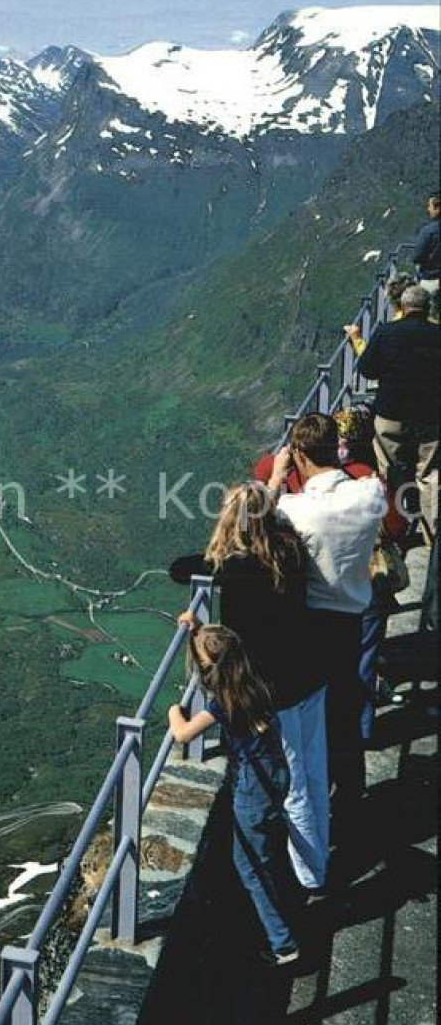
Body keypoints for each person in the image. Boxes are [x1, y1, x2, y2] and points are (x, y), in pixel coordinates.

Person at [170, 483, 329, 891]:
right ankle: (317, 861)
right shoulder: (289, 549)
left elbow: (178, 568)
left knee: (293, 788)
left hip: (280, 692)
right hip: (312, 674)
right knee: (313, 774)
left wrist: (195, 623)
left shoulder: (235, 567)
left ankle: (313, 879)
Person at [267, 414, 387, 814]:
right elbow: (377, 492)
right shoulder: (370, 495)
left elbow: (255, 528)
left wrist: (276, 477)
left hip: (311, 622)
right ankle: (351, 792)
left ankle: (315, 797)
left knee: (310, 716)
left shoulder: (294, 510)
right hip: (352, 616)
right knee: (346, 704)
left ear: (299, 454)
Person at [169, 623, 300, 966]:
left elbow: (182, 734)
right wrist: (194, 629)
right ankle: (289, 910)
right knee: (267, 850)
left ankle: (283, 944)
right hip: (277, 773)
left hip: (252, 791)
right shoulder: (257, 683)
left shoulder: (222, 706)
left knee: (249, 866)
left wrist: (172, 711)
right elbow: (217, 648)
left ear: (212, 665)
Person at [355, 283, 439, 539]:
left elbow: (367, 369)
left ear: (402, 307)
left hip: (391, 413)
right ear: (428, 308)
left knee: (388, 472)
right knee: (430, 475)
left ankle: (391, 530)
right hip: (431, 415)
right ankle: (432, 535)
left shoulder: (386, 332)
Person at [413, 191, 440, 293]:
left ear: (437, 208)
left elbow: (418, 256)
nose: (428, 209)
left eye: (430, 206)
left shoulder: (428, 231)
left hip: (431, 280)